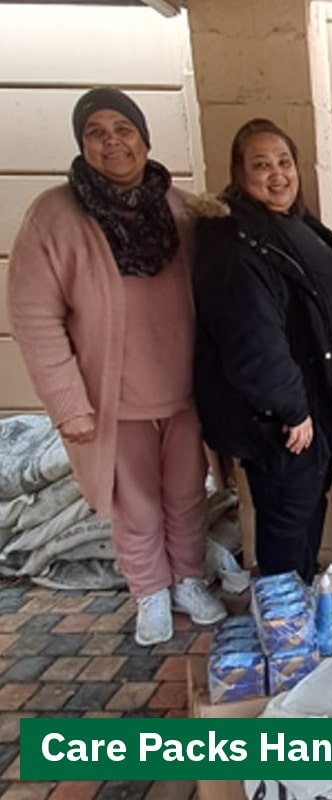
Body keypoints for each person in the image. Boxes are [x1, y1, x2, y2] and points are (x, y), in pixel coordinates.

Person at [8, 87, 225, 646]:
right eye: (96, 133)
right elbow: (34, 316)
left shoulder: (179, 208)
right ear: (81, 144)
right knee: (136, 503)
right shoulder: (55, 215)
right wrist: (68, 404)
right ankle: (149, 591)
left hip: (184, 388)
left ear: (144, 139)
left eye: (123, 129)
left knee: (187, 493)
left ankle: (188, 579)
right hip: (114, 397)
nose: (112, 142)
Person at [192, 119, 332, 585]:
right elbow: (252, 339)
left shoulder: (293, 223)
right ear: (238, 173)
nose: (278, 174)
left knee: (306, 514)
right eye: (261, 165)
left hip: (313, 407)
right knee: (286, 525)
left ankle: (297, 607)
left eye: (284, 162)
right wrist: (292, 408)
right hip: (283, 420)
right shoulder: (233, 239)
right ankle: (281, 619)